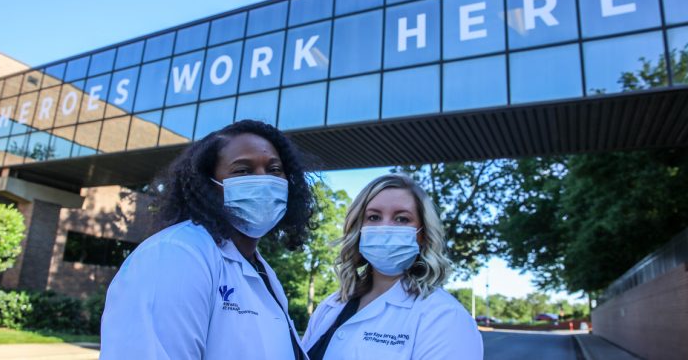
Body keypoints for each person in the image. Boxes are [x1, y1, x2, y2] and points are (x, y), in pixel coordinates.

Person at [100, 120, 314, 360]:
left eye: (274, 169)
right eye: (242, 170)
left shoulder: (261, 270)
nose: (264, 181)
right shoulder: (175, 254)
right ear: (208, 186)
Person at [302, 174, 483, 359]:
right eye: (373, 217)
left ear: (423, 235)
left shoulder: (445, 316)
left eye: (402, 219)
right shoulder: (332, 305)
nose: (384, 228)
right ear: (359, 228)